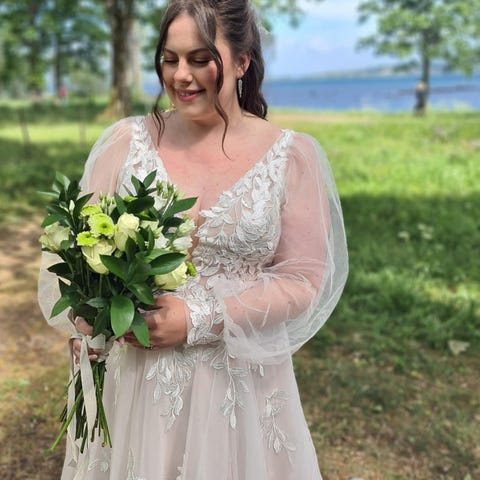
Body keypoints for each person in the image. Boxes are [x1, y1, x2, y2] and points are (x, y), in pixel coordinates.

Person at [38, 0, 348, 478]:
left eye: (200, 59)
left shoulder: (292, 156)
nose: (181, 75)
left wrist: (198, 318)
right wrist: (91, 314)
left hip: (237, 384)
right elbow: (78, 247)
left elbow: (304, 279)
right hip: (135, 379)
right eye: (170, 59)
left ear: (242, 61)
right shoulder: (125, 142)